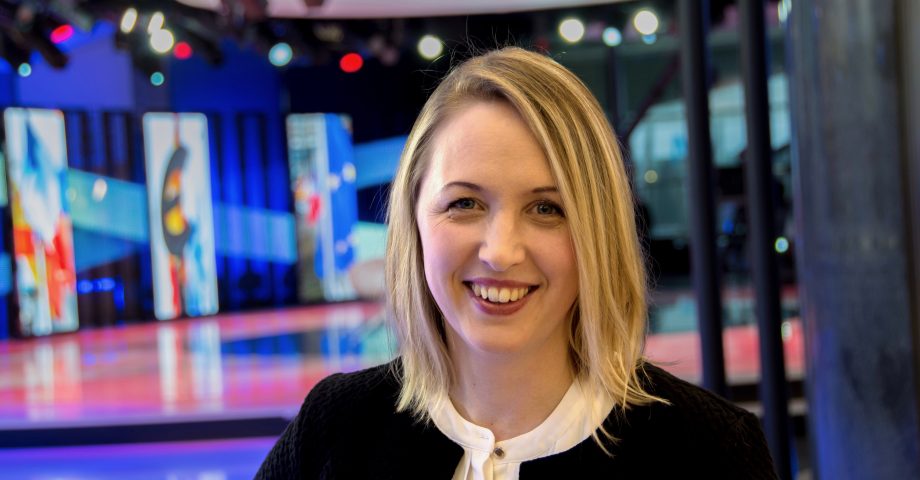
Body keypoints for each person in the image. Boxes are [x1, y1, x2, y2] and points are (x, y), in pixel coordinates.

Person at [256, 47, 778, 479]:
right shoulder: (335, 429)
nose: (500, 252)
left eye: (547, 209)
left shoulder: (709, 450)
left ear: (599, 229)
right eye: (465, 203)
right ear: (413, 219)